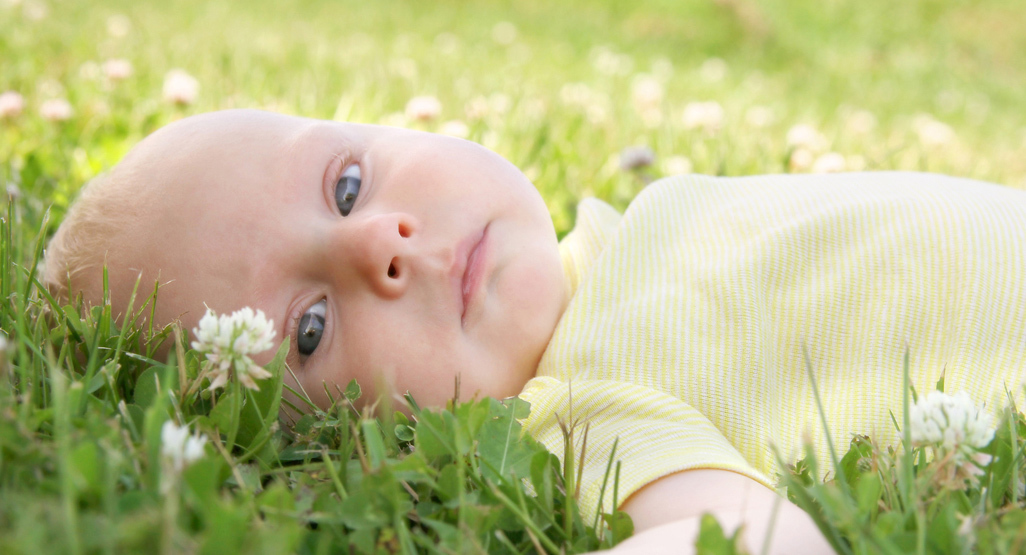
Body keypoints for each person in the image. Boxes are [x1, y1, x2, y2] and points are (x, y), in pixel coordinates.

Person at [44, 109, 1026, 554]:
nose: (376, 243)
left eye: (346, 184)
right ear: (357, 442)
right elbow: (750, 538)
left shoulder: (618, 244)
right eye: (308, 329)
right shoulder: (594, 404)